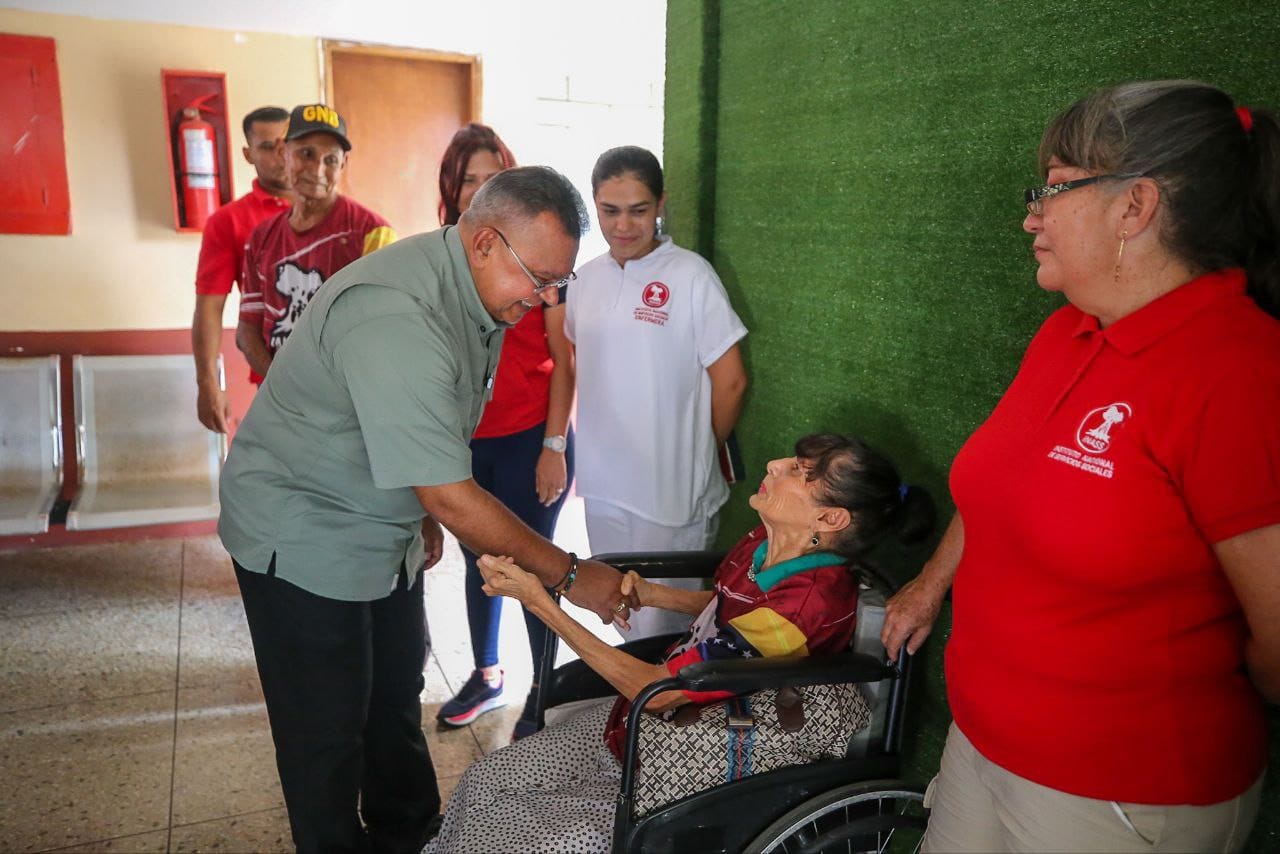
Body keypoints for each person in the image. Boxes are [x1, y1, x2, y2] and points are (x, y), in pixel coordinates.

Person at [880, 81, 1280, 853]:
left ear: (1136, 207)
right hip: (984, 747)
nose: (1032, 215)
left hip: (1123, 796)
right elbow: (1002, 483)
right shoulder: (1067, 332)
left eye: (1056, 190)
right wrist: (932, 582)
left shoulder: (1239, 372)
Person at [218, 165, 633, 853]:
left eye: (560, 283)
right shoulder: (395, 312)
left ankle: (410, 835)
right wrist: (570, 574)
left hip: (381, 522)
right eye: (540, 278)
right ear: (485, 244)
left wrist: (420, 516)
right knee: (324, 731)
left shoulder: (482, 293)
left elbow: (430, 431)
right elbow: (448, 486)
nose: (547, 297)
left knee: (393, 702)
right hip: (303, 532)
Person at [427, 433, 935, 853]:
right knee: (488, 778)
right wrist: (650, 593)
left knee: (507, 840)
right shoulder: (765, 543)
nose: (776, 463)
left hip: (687, 764)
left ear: (830, 520)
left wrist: (540, 603)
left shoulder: (804, 608)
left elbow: (663, 691)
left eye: (800, 471)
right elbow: (729, 611)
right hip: (640, 731)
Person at [566, 145, 749, 639]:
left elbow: (731, 380)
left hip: (673, 495)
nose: (624, 224)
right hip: (603, 486)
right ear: (595, 205)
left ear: (661, 204)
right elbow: (579, 363)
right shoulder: (584, 279)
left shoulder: (690, 275)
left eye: (638, 210)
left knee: (667, 632)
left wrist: (692, 448)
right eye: (610, 210)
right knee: (620, 616)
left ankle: (665, 715)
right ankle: (632, 715)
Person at [431, 125, 577, 739]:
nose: (481, 187)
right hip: (468, 438)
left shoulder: (535, 262)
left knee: (535, 563)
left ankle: (545, 689)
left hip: (528, 436)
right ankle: (487, 676)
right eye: (470, 179)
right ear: (453, 188)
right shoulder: (442, 259)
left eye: (492, 175)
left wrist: (553, 446)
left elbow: (564, 359)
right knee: (479, 560)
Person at [236, 103, 396, 380]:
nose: (318, 169)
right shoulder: (261, 239)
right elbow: (247, 331)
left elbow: (381, 331)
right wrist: (283, 386)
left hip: (346, 405)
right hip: (279, 401)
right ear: (282, 153)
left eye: (330, 160)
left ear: (344, 163)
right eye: (306, 154)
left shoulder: (372, 233)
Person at [192, 106, 291, 432]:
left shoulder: (340, 213)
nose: (281, 155)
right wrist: (208, 383)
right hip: (275, 376)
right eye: (267, 147)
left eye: (286, 143)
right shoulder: (228, 222)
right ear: (248, 154)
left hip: (343, 375)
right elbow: (210, 305)